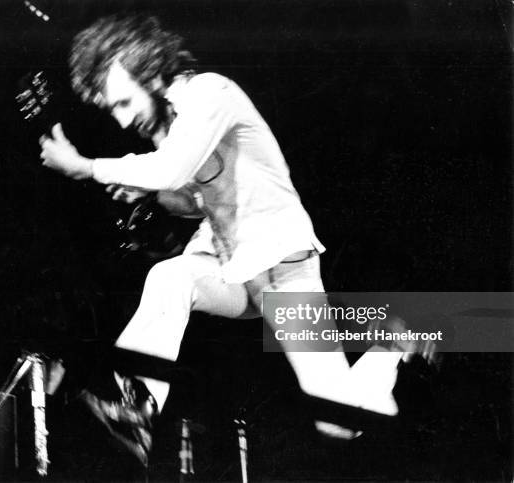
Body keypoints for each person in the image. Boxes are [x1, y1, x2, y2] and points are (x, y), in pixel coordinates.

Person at [39, 14, 405, 464]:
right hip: (235, 271)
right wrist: (147, 187)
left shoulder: (211, 94)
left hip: (280, 265)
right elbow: (193, 198)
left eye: (123, 102)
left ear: (151, 72)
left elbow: (172, 168)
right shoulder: (176, 129)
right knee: (171, 277)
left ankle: (391, 347)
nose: (122, 119)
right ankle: (138, 407)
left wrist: (88, 167)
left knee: (337, 420)